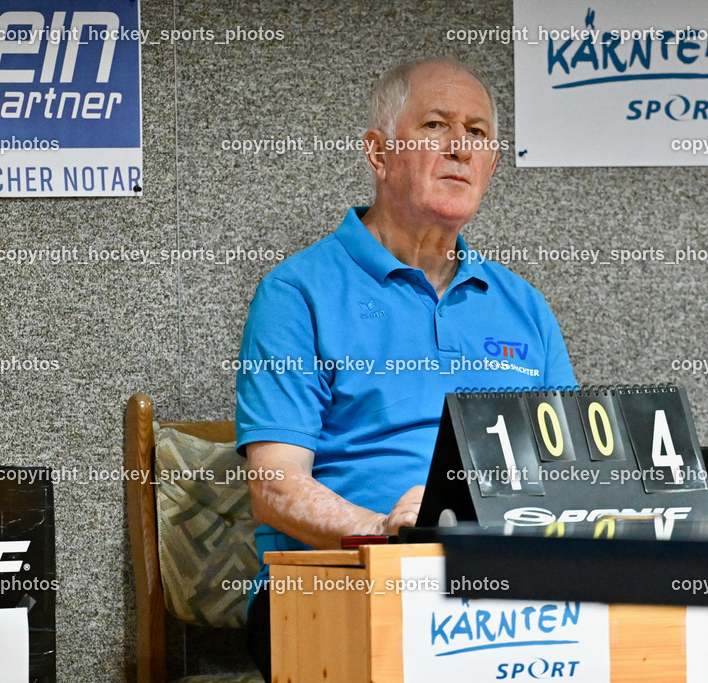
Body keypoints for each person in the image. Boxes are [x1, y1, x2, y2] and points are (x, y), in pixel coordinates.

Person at [234, 57, 577, 680]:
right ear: (378, 153)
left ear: (493, 165)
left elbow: (574, 478)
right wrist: (390, 535)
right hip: (338, 588)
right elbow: (275, 488)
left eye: (477, 134)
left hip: (505, 587)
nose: (460, 149)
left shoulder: (524, 306)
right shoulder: (296, 293)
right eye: (437, 125)